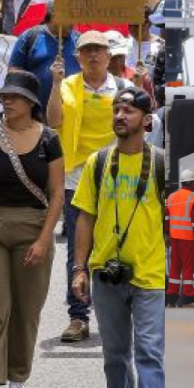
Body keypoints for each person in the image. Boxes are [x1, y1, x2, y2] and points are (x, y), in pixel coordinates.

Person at [71, 87, 165, 388]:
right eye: (116, 109)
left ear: (146, 119)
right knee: (114, 353)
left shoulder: (160, 163)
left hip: (150, 273)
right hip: (106, 273)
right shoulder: (98, 162)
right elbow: (85, 218)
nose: (120, 116)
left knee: (149, 351)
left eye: (128, 110)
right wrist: (79, 268)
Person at [0, 71, 63, 388]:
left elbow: (56, 194)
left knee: (27, 308)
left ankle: (17, 377)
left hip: (34, 227)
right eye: (4, 96)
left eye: (14, 96)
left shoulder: (49, 139)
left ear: (31, 102)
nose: (7, 101)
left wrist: (43, 239)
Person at [47, 30, 132, 343]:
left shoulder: (124, 88)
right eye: (87, 51)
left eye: (99, 50)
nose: (93, 55)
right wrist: (55, 85)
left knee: (118, 247)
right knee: (78, 251)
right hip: (75, 181)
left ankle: (117, 315)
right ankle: (78, 317)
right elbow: (54, 119)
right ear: (77, 56)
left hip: (116, 179)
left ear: (109, 57)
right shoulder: (66, 86)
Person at [7, 5, 80, 108]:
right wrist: (36, 81)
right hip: (35, 111)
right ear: (54, 15)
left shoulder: (80, 41)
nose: (74, 22)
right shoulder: (30, 37)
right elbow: (13, 71)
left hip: (72, 112)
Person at [165, 168, 194, 307]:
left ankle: (172, 294)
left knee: (175, 267)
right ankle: (188, 294)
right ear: (192, 183)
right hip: (188, 238)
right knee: (188, 268)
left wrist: (167, 234)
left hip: (174, 238)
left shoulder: (171, 197)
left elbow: (167, 218)